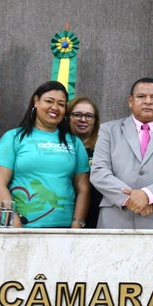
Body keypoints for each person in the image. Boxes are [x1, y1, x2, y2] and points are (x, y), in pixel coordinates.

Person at [91, 77, 153, 229]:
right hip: (116, 218)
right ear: (130, 101)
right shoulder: (108, 130)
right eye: (141, 96)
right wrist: (131, 200)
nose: (148, 101)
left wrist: (149, 195)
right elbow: (99, 172)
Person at [0, 81, 90, 228]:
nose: (55, 107)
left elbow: (83, 188)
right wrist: (12, 222)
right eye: (49, 101)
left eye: (61, 104)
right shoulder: (13, 138)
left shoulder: (74, 142)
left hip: (65, 231)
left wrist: (77, 223)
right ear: (36, 101)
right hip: (22, 228)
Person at [67, 95, 103, 228]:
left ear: (95, 120)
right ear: (67, 117)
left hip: (97, 216)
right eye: (77, 115)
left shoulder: (103, 150)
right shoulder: (57, 149)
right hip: (64, 214)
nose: (83, 119)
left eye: (89, 116)